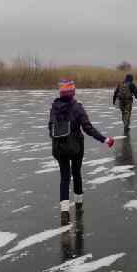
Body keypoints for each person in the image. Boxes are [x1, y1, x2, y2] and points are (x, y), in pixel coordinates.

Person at [49, 79, 114, 224]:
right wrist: (105, 139)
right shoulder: (77, 107)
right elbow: (88, 128)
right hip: (76, 147)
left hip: (60, 148)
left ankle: (64, 210)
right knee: (76, 174)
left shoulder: (54, 107)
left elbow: (50, 129)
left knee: (64, 178)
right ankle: (78, 205)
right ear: (73, 92)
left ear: (61, 92)